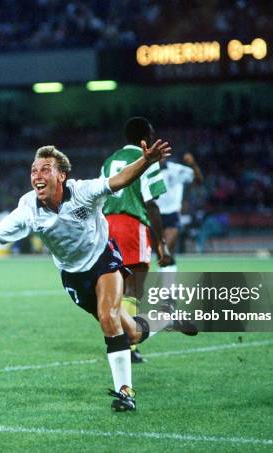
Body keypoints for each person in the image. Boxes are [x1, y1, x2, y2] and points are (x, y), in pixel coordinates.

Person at [0, 143, 192, 412]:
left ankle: (125, 393)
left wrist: (146, 160)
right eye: (34, 171)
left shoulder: (83, 191)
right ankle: (165, 318)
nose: (37, 175)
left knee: (108, 319)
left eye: (45, 169)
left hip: (104, 260)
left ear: (62, 175)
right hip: (74, 276)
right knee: (131, 332)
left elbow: (118, 180)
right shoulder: (28, 209)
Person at [100, 117, 172, 364]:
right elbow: (151, 203)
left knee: (115, 288)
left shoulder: (110, 160)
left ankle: (118, 339)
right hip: (131, 224)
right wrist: (162, 244)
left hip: (107, 225)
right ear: (145, 138)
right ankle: (128, 347)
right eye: (151, 134)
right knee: (134, 288)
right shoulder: (147, 156)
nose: (154, 139)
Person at [156, 152, 203, 271]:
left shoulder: (176, 169)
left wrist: (193, 164)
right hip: (154, 214)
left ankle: (167, 286)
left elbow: (198, 180)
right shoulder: (146, 171)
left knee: (166, 247)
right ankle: (168, 283)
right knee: (163, 252)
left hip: (172, 213)